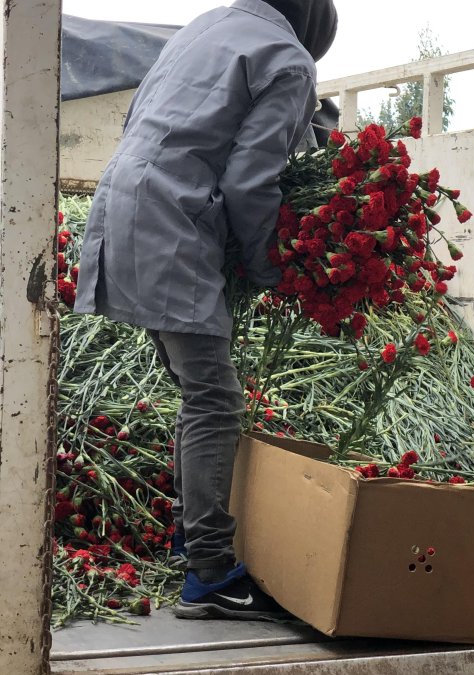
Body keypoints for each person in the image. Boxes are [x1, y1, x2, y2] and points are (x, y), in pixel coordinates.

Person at [74, 0, 338, 621]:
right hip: (174, 219)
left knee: (196, 394)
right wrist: (270, 266)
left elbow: (141, 118)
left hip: (124, 204)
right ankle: (212, 572)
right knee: (215, 400)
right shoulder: (290, 61)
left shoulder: (207, 26)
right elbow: (250, 181)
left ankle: (187, 535)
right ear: (310, 28)